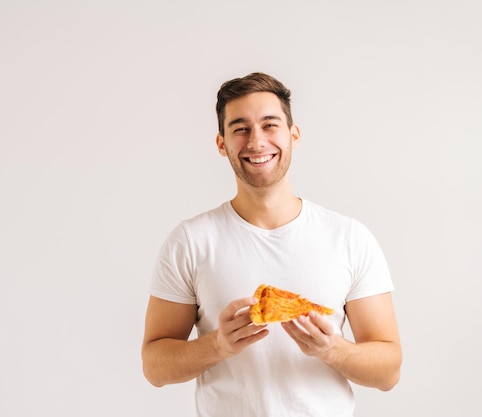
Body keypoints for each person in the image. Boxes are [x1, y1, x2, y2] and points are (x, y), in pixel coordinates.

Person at [141, 72, 402, 416]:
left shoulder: (349, 238)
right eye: (240, 128)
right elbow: (154, 366)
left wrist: (331, 349)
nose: (256, 141)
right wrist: (218, 345)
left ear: (293, 135)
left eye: (269, 125)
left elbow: (389, 371)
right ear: (222, 144)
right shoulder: (190, 241)